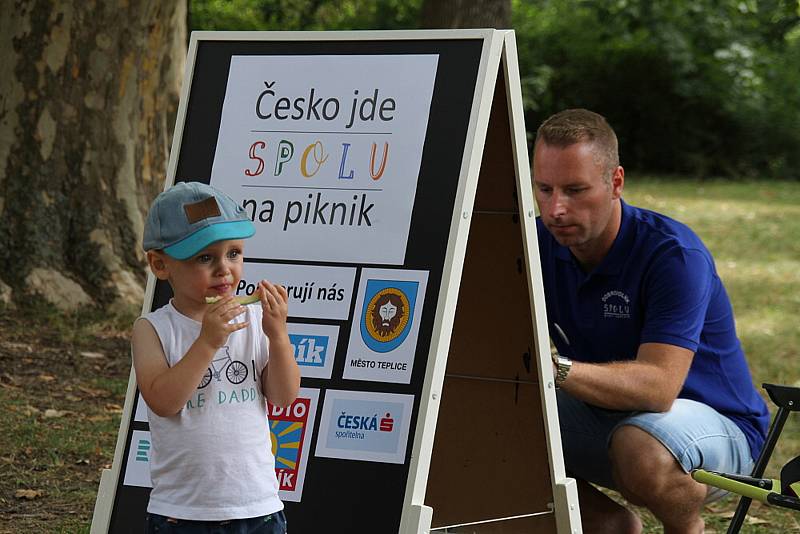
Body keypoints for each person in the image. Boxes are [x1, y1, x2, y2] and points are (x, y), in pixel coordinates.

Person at [532, 109, 770, 534]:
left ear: (615, 183)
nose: (556, 209)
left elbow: (658, 388)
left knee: (639, 448)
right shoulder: (533, 244)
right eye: (544, 189)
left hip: (719, 427)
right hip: (608, 413)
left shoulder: (674, 255)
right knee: (485, 413)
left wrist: (554, 369)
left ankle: (688, 530)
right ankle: (608, 525)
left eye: (575, 189)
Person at [132, 181, 300, 533]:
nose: (224, 269)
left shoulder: (254, 320)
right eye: (204, 258)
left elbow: (283, 397)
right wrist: (207, 342)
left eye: (234, 253)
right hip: (182, 513)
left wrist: (278, 335)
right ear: (160, 265)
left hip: (258, 507)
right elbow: (163, 402)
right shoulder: (152, 329)